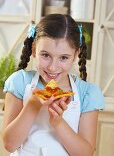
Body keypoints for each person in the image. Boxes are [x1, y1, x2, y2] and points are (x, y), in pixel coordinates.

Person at [2, 14, 104, 156]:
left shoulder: (87, 93)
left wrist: (58, 122)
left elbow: (85, 153)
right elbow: (9, 144)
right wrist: (33, 104)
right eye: (45, 55)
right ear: (33, 50)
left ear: (75, 55)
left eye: (63, 57)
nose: (52, 67)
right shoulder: (19, 82)